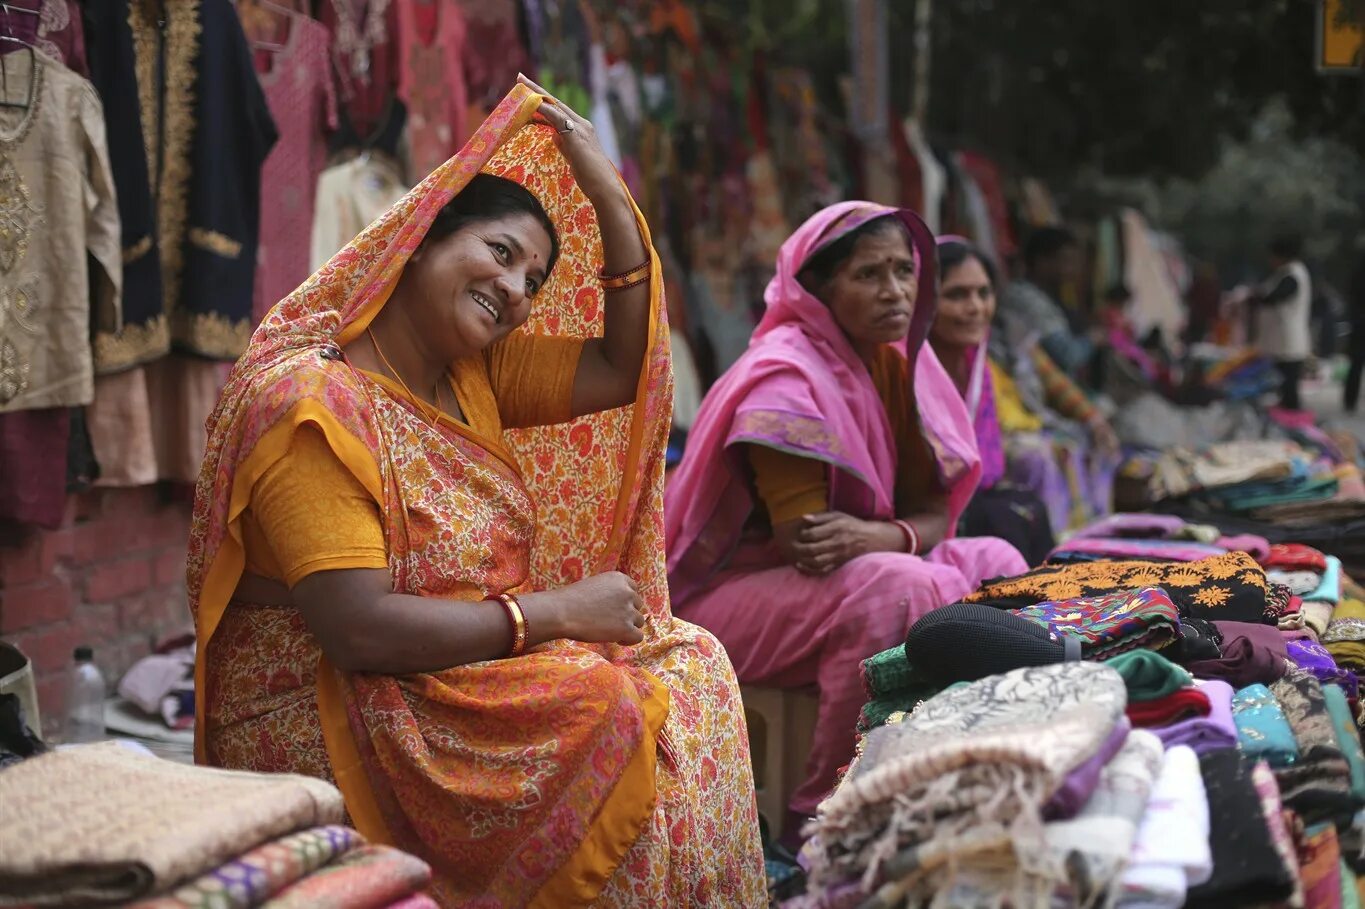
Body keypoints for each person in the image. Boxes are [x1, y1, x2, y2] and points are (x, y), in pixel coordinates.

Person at [188, 81, 765, 906]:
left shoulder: (473, 373)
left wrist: (607, 193)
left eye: (532, 279)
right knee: (603, 702)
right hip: (336, 703)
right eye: (500, 253)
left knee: (690, 662)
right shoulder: (313, 404)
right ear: (419, 241)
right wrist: (558, 614)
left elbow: (618, 367)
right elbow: (356, 630)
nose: (516, 291)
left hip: (449, 674)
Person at [664, 202, 1028, 832]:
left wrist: (892, 535)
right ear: (819, 289)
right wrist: (896, 541)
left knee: (1000, 560)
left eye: (903, 272)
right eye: (868, 275)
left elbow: (934, 511)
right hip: (721, 603)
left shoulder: (896, 363)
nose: (894, 292)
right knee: (898, 586)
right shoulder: (785, 378)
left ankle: (969, 751)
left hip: (846, 575)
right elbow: (810, 544)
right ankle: (832, 811)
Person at [929, 237, 1056, 565]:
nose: (975, 308)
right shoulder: (910, 371)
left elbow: (987, 464)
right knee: (1004, 520)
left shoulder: (978, 368)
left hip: (973, 496)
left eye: (983, 293)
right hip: (927, 514)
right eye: (956, 295)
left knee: (1027, 509)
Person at [998, 226, 1099, 380]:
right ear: (1041, 261)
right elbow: (1067, 356)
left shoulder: (1043, 297)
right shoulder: (1027, 299)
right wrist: (1093, 339)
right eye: (1066, 260)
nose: (1072, 270)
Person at [1253, 233, 1313, 411]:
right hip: (1282, 341)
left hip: (1289, 341)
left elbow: (1274, 298)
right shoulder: (1285, 273)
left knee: (1288, 387)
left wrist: (1255, 296)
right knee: (1283, 385)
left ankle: (1292, 420)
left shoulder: (1293, 275)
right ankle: (1288, 415)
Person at [1345, 239, 1365, 413]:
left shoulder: (1358, 271)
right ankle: (1350, 401)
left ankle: (1350, 401)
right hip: (1360, 323)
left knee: (1356, 364)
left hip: (1359, 323)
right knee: (1357, 363)